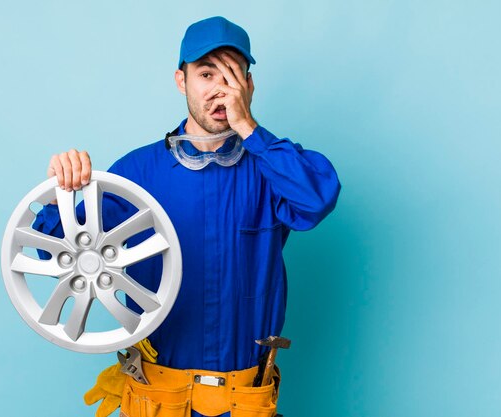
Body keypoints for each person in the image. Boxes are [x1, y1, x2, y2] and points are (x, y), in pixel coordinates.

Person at [32, 16, 340, 417]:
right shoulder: (138, 174)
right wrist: (61, 195)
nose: (220, 90)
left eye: (233, 75)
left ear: (248, 86)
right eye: (207, 74)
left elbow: (315, 200)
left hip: (244, 402)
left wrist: (248, 128)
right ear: (182, 81)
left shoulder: (272, 167)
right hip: (158, 400)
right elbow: (62, 258)